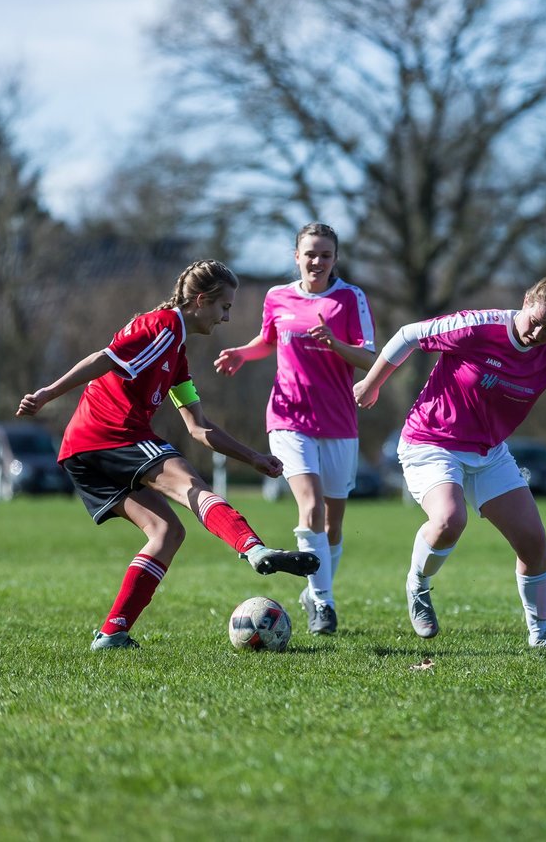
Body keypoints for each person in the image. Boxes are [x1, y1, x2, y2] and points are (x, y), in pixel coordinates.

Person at [17, 259, 320, 651]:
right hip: (110, 435)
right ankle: (253, 548)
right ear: (200, 300)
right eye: (224, 307)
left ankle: (112, 634)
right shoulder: (159, 327)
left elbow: (199, 427)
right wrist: (47, 393)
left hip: (81, 451)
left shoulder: (176, 354)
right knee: (190, 485)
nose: (226, 317)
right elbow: (104, 358)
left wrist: (253, 458)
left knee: (166, 532)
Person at [354, 274, 546, 653]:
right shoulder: (478, 327)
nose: (538, 334)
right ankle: (418, 585)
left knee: (533, 543)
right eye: (535, 322)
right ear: (527, 299)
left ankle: (542, 634)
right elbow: (407, 335)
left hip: (489, 453)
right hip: (431, 442)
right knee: (450, 520)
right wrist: (372, 382)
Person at [213, 223, 376, 635]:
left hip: (338, 421)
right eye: (310, 253)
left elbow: (369, 359)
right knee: (311, 508)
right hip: (288, 418)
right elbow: (268, 341)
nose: (317, 261)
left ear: (335, 258)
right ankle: (323, 603)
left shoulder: (350, 299)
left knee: (333, 523)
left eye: (325, 254)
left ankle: (315, 590)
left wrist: (334, 344)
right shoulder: (277, 296)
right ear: (296, 256)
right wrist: (241, 354)